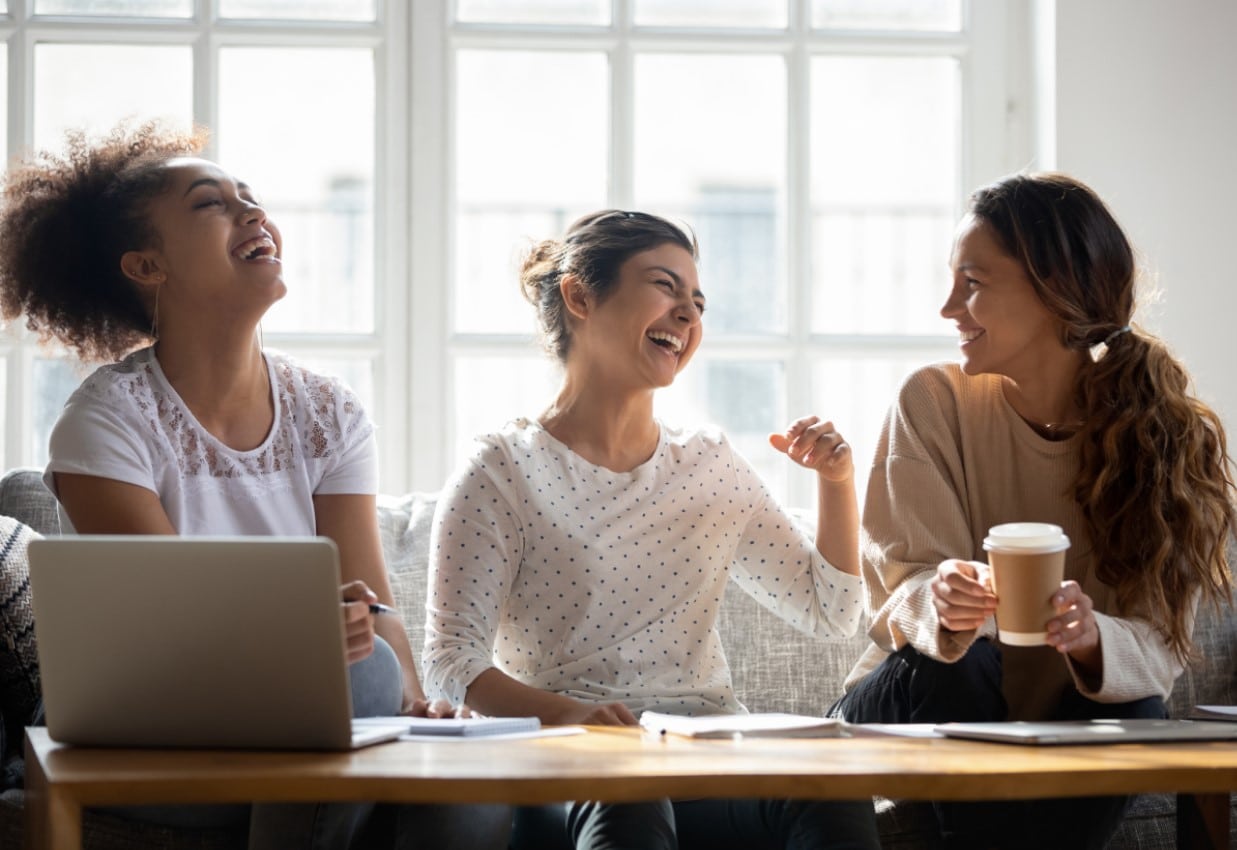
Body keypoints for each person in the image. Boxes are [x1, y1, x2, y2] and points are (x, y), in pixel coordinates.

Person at [0, 121, 510, 850]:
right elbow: (166, 626)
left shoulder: (328, 412)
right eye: (212, 205)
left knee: (463, 792)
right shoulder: (103, 421)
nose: (253, 215)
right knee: (358, 682)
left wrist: (416, 702)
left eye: (252, 199)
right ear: (148, 266)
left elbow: (374, 602)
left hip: (317, 718)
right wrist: (314, 643)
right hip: (146, 731)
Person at [423, 209, 880, 850]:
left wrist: (836, 483)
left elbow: (830, 612)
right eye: (665, 287)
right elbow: (450, 662)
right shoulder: (501, 470)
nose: (689, 315)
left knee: (828, 791)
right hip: (572, 764)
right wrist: (574, 717)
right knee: (629, 797)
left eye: (697, 301)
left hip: (706, 757)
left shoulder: (710, 465)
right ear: (579, 295)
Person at [831, 173, 1236, 848]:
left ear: (1054, 291)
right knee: (956, 663)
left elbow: (1159, 648)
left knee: (1134, 705)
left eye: (972, 284)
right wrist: (943, 600)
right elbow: (901, 587)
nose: (947, 308)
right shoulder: (931, 402)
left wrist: (1089, 635)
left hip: (1065, 714)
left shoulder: (1166, 437)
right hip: (914, 696)